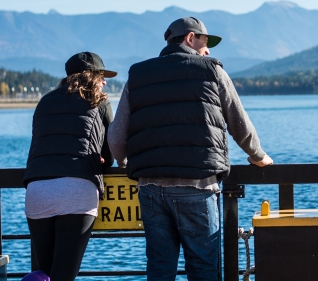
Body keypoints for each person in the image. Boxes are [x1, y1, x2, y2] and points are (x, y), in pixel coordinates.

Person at [108, 17, 273, 281]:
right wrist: (259, 155)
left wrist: (124, 163)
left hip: (149, 188)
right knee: (204, 269)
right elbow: (239, 123)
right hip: (197, 187)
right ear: (189, 38)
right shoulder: (211, 69)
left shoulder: (138, 74)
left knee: (160, 269)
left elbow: (116, 138)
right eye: (205, 42)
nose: (208, 50)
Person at [23, 52, 117, 281]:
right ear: (92, 76)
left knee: (46, 273)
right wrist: (102, 158)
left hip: (37, 190)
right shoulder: (100, 101)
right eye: (102, 76)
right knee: (64, 275)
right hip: (76, 187)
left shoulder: (45, 100)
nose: (105, 82)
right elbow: (111, 149)